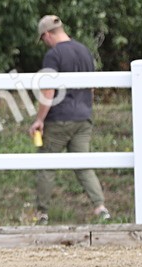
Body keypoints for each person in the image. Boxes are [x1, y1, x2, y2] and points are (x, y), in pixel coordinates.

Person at [27, 14, 111, 224]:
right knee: (83, 164)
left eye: (43, 39)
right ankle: (100, 207)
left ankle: (42, 214)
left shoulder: (53, 55)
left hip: (59, 118)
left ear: (47, 35)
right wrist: (87, 110)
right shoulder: (84, 51)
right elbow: (91, 87)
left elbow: (48, 90)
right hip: (83, 117)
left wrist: (39, 120)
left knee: (46, 164)